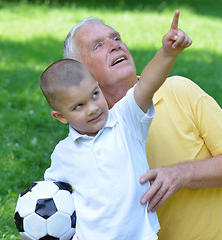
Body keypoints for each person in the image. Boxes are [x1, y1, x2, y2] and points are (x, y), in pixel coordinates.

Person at [62, 11, 222, 240]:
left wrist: (180, 175)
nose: (115, 46)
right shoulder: (85, 143)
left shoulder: (179, 90)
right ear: (80, 74)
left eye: (116, 38)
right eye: (98, 46)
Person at [40, 11, 191, 240]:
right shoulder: (63, 154)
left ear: (98, 86)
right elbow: (48, 202)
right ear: (60, 116)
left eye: (94, 94)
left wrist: (168, 52)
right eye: (78, 106)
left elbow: (148, 82)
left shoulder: (125, 120)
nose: (92, 108)